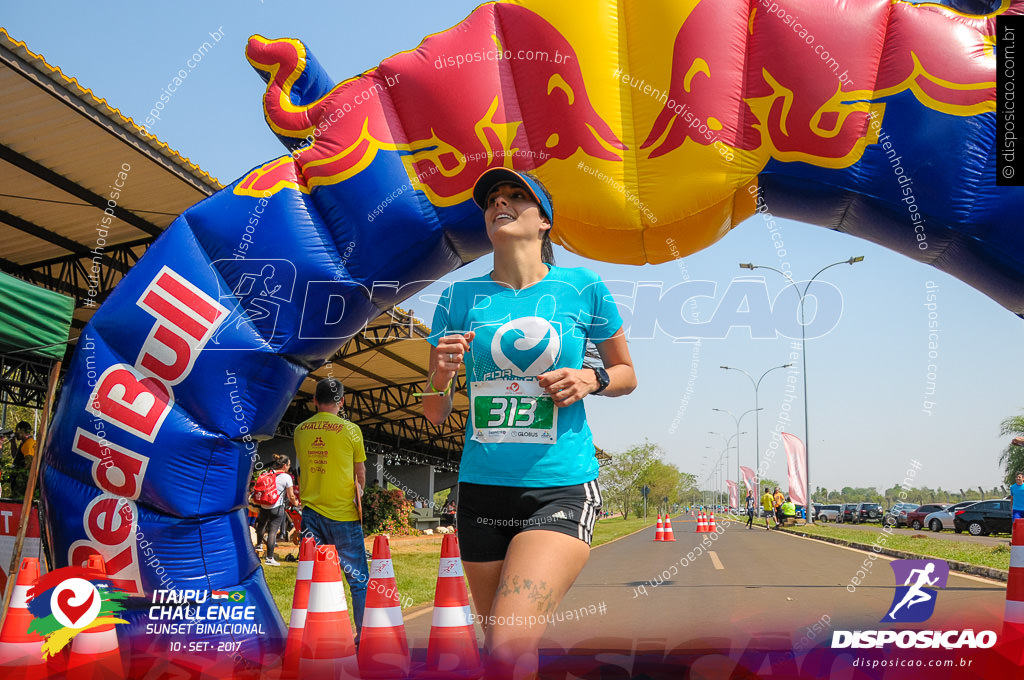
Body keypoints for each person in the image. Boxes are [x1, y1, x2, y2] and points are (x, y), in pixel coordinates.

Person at [422, 168, 636, 678]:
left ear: (543, 221)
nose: (501, 202)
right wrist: (441, 373)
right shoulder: (457, 300)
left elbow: (627, 373)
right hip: (480, 493)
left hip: (559, 488)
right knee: (502, 646)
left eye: (517, 197)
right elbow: (434, 411)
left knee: (511, 635)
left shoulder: (582, 286)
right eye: (493, 198)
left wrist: (590, 379)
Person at [294, 377, 369, 639]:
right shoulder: (352, 431)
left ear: (315, 400)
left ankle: (311, 636)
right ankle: (362, 636)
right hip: (344, 516)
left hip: (311, 515)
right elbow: (360, 475)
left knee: (311, 579)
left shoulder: (300, 431)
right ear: (342, 401)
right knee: (358, 581)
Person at [254, 454, 298, 566]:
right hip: (276, 507)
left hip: (264, 505)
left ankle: (259, 545)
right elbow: (291, 496)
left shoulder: (267, 473)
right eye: (288, 465)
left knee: (262, 525)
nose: (289, 467)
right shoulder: (286, 477)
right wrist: (296, 503)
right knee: (273, 531)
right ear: (284, 465)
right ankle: (269, 558)